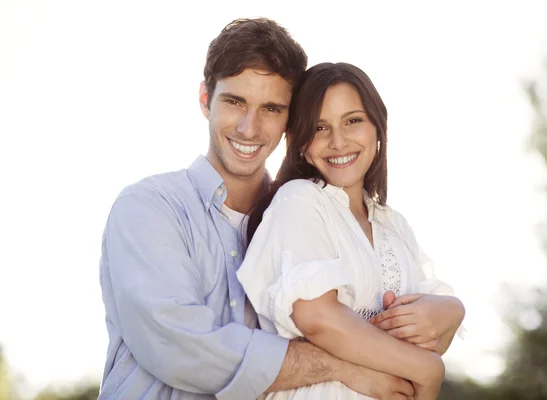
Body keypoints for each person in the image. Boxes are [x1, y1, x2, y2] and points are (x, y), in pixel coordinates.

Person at [98, 18, 417, 400]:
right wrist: (343, 366)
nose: (250, 128)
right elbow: (181, 347)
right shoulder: (148, 209)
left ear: (290, 122)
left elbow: (370, 320)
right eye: (235, 102)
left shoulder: (306, 219)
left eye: (271, 108)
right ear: (205, 100)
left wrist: (445, 311)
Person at [237, 62, 466, 399]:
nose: (338, 142)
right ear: (301, 143)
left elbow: (435, 338)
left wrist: (454, 310)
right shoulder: (300, 199)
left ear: (377, 127)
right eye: (320, 127)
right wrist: (426, 369)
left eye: (353, 121)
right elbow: (316, 316)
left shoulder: (394, 224)